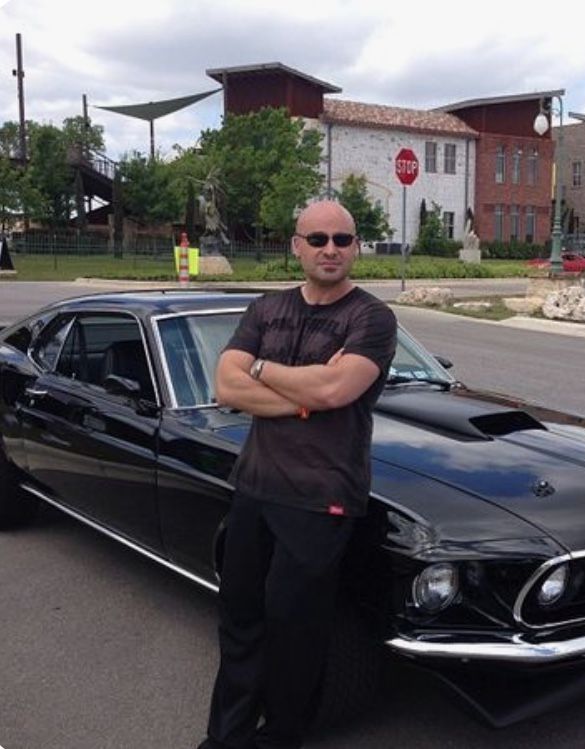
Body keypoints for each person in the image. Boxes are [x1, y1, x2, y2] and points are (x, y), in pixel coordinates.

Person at [198, 200, 398, 749]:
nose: (330, 249)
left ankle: (283, 738)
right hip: (255, 486)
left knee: (294, 630)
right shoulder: (266, 309)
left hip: (322, 496)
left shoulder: (371, 318)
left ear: (356, 247)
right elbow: (226, 387)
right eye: (317, 239)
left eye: (341, 239)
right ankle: (226, 738)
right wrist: (301, 394)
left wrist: (261, 370)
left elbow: (338, 390)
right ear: (296, 246)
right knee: (240, 620)